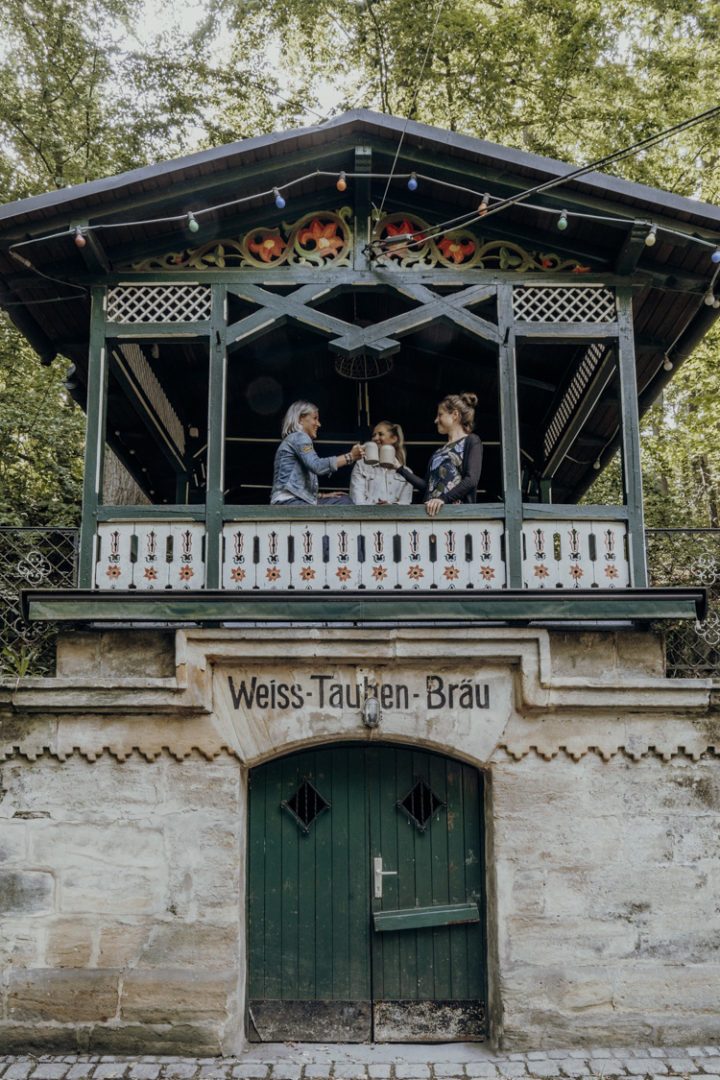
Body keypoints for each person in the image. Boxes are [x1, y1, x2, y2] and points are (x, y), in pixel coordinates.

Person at [397, 392, 482, 517]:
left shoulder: (471, 441)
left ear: (455, 415)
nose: (436, 420)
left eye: (440, 414)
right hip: (430, 514)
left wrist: (443, 499)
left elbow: (471, 480)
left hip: (456, 515)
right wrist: (399, 469)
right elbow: (427, 486)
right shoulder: (438, 452)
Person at [270, 401, 363, 505]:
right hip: (289, 502)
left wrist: (323, 496)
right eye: (315, 418)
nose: (319, 424)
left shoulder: (294, 439)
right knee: (344, 503)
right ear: (300, 419)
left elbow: (298, 487)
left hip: (289, 501)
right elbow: (317, 466)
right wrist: (350, 456)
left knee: (343, 499)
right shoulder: (300, 437)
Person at [349, 421, 413, 506]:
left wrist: (389, 506)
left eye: (380, 434)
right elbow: (357, 500)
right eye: (373, 435)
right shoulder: (361, 465)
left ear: (394, 438)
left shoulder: (406, 472)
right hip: (366, 518)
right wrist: (376, 508)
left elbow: (405, 504)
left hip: (394, 518)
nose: (375, 438)